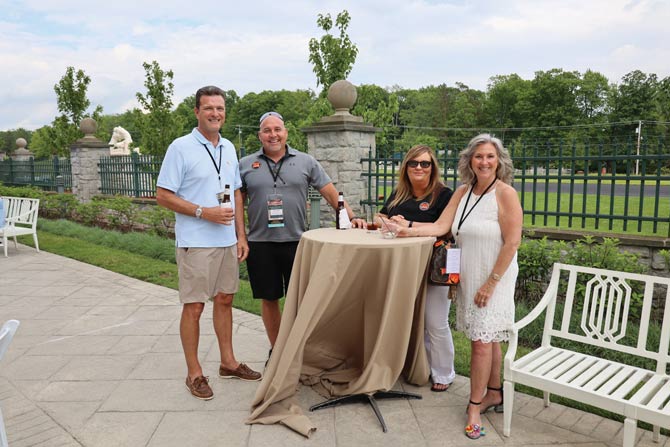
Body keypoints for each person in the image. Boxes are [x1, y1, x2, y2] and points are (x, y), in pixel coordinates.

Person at [390, 134, 522, 440]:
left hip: (494, 278)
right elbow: (440, 227)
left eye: (490, 156)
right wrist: (405, 228)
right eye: (479, 156)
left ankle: (474, 406)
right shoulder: (463, 192)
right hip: (470, 276)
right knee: (488, 338)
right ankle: (494, 393)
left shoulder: (505, 193)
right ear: (469, 161)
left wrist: (491, 283)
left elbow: (512, 242)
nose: (484, 162)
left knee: (480, 342)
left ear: (499, 161)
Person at [156, 85, 261, 401]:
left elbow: (237, 192)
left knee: (225, 299)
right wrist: (204, 212)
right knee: (195, 306)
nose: (215, 113)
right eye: (209, 108)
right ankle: (194, 373)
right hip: (196, 242)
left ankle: (228, 363)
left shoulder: (228, 147)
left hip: (227, 240)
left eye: (220, 108)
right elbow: (163, 195)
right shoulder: (180, 147)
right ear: (197, 112)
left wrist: (240, 235)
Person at [239, 111, 360, 364]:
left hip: (297, 243)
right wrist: (240, 236)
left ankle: (300, 348)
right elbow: (237, 203)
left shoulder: (306, 162)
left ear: (286, 133)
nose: (273, 135)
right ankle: (278, 352)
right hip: (260, 243)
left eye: (277, 130)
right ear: (259, 135)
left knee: (302, 300)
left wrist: (352, 218)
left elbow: (331, 193)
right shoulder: (245, 164)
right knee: (269, 299)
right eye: (267, 130)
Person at [377, 145, 455, 392]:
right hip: (404, 265)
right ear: (406, 167)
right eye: (414, 163)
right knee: (412, 320)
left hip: (435, 264)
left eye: (425, 163)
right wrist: (389, 221)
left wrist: (407, 224)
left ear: (433, 168)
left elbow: (444, 227)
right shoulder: (400, 193)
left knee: (435, 321)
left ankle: (444, 372)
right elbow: (379, 217)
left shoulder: (443, 194)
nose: (419, 168)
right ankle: (421, 367)